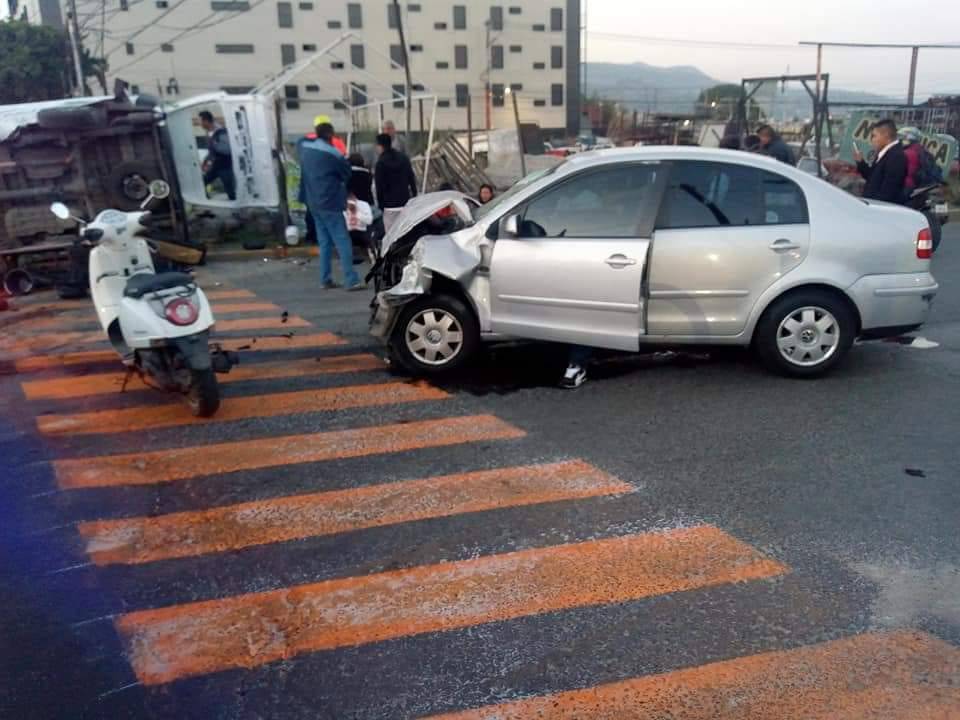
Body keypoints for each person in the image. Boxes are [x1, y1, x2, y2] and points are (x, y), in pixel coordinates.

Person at [298, 120, 364, 291]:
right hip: (330, 201)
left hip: (313, 201)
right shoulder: (334, 154)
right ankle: (351, 279)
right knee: (342, 240)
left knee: (325, 242)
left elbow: (301, 141)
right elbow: (346, 173)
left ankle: (325, 278)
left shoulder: (305, 148)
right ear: (331, 135)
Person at [854, 118, 907, 204]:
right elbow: (872, 177)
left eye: (874, 136)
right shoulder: (885, 153)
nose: (872, 140)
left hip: (878, 210)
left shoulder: (896, 157)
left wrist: (870, 207)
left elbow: (887, 193)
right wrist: (860, 162)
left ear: (885, 135)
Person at [375, 133, 418, 234]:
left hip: (389, 206)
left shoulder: (380, 163)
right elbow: (411, 177)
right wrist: (414, 195)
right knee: (406, 232)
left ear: (380, 146)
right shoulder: (404, 158)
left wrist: (382, 205)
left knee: (391, 235)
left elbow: (379, 187)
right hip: (405, 201)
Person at [199, 111, 236, 200]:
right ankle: (206, 201)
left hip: (225, 166)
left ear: (206, 121)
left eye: (201, 121)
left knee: (230, 191)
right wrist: (205, 162)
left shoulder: (221, 132)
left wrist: (214, 143)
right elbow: (211, 151)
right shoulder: (208, 132)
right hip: (215, 166)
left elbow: (227, 149)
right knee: (201, 182)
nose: (200, 124)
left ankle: (238, 210)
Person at [345, 192, 375, 264]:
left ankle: (373, 256)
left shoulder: (363, 205)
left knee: (368, 238)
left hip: (362, 230)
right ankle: (349, 258)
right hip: (349, 231)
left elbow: (369, 221)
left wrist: (356, 213)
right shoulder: (343, 206)